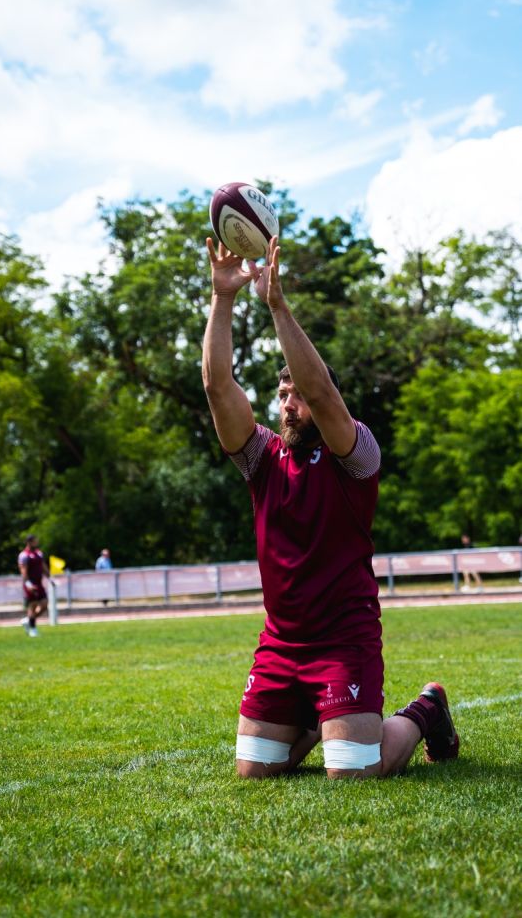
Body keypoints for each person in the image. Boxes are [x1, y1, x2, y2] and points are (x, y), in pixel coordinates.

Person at [202, 234, 460, 780]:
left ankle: (425, 708)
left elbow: (321, 392)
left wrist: (277, 304)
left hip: (344, 641)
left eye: (297, 393)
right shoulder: (262, 458)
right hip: (281, 642)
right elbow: (218, 386)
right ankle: (325, 716)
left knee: (354, 771)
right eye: (282, 394)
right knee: (254, 772)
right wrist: (223, 297)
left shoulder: (356, 454)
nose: (289, 404)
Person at [18, 534, 49, 637]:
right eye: (35, 541)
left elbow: (43, 566)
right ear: (29, 542)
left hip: (39, 583)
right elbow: (23, 571)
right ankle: (32, 629)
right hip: (30, 584)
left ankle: (28, 620)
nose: (37, 542)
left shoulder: (39, 553)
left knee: (44, 605)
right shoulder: (24, 555)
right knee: (33, 605)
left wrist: (49, 577)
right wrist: (28, 584)